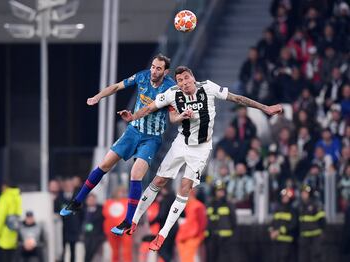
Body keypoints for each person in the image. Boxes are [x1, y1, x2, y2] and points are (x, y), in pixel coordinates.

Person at [118, 65, 283, 250]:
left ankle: (162, 235)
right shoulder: (172, 93)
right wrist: (133, 117)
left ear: (192, 77)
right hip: (181, 143)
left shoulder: (208, 87)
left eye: (186, 78)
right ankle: (134, 220)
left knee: (184, 188)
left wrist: (265, 108)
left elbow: (237, 98)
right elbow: (149, 108)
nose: (184, 83)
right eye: (180, 80)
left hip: (201, 149)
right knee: (158, 180)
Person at [60, 54, 177, 236]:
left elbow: (172, 113)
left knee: (135, 174)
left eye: (158, 68)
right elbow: (116, 86)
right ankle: (77, 202)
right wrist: (98, 97)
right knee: (105, 164)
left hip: (151, 138)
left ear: (166, 71)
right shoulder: (142, 76)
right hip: (133, 131)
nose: (154, 71)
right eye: (153, 67)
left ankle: (128, 221)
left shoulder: (171, 88)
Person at [206, 181, 237, 262]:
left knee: (224, 258)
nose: (221, 193)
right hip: (212, 237)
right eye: (219, 191)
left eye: (222, 191)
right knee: (211, 257)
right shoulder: (210, 204)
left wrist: (231, 234)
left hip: (225, 238)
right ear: (215, 192)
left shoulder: (229, 204)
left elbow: (234, 221)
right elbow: (207, 219)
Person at [0, 181, 22, 262]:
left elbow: (0, 217)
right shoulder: (17, 197)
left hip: (5, 233)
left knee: (4, 257)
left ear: (5, 187)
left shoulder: (4, 198)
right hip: (15, 233)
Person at [298, 184, 326, 262]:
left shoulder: (315, 204)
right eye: (303, 193)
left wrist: (322, 232)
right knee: (304, 258)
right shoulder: (299, 205)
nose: (304, 195)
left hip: (315, 236)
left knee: (316, 257)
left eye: (306, 193)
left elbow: (322, 220)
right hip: (304, 236)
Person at [268, 188, 297, 262]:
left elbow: (293, 225)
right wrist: (271, 230)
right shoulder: (278, 209)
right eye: (283, 196)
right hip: (276, 242)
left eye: (286, 197)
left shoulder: (293, 211)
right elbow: (272, 222)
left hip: (287, 242)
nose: (284, 198)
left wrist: (279, 232)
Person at [82, 194, 105, 262]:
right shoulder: (83, 210)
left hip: (97, 235)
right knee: (87, 252)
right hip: (86, 235)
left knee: (95, 253)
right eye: (89, 200)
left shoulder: (101, 210)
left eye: (93, 199)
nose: (91, 201)